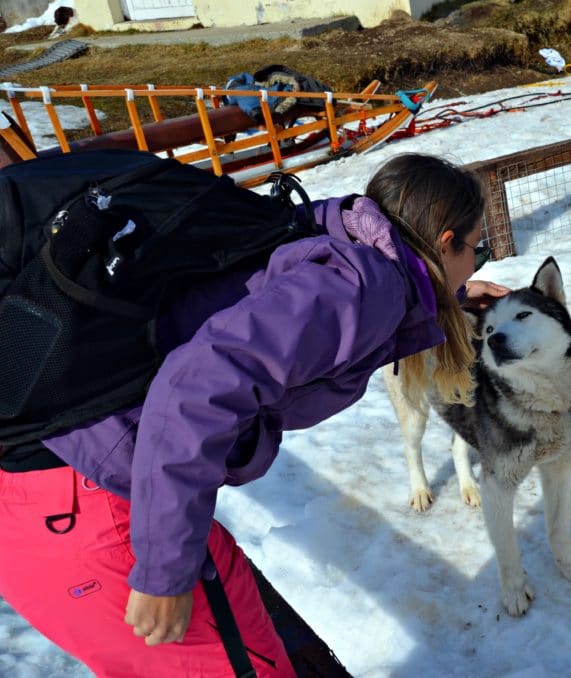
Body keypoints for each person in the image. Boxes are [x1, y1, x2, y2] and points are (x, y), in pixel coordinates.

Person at [0, 153, 510, 676]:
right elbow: (193, 390)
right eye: (478, 249)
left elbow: (297, 317)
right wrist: (164, 573)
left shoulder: (337, 244)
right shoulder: (363, 288)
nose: (476, 262)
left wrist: (452, 296)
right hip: (103, 513)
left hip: (47, 495)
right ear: (446, 242)